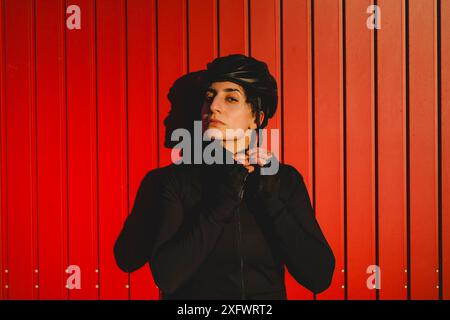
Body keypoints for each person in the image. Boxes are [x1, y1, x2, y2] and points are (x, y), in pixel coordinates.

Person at [114, 54, 335, 300]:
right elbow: (166, 276)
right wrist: (224, 198)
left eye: (231, 98)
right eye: (209, 97)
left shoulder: (283, 180)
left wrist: (272, 200)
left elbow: (319, 276)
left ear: (256, 118)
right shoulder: (172, 181)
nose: (214, 106)